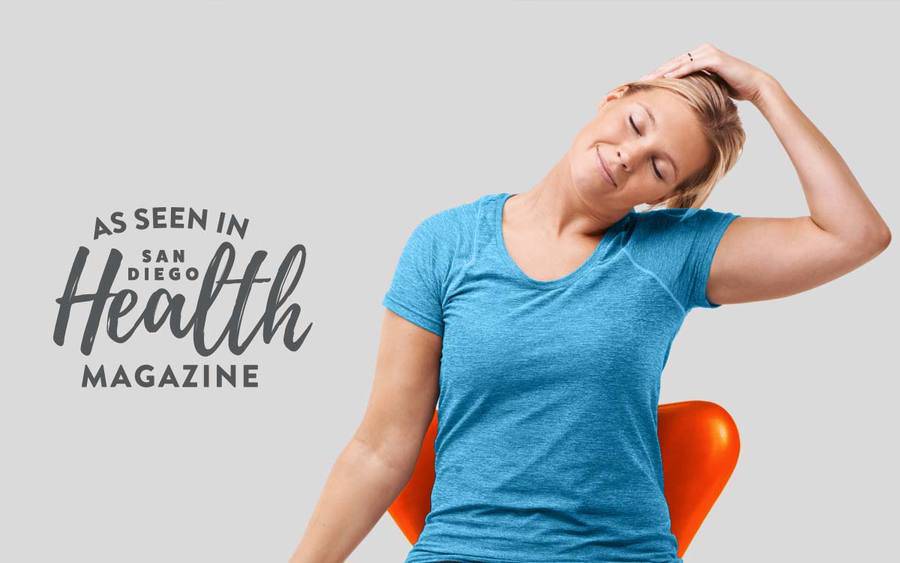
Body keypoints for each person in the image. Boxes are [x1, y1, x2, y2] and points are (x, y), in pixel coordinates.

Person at [288, 44, 891, 563]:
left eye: (659, 165)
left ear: (667, 196)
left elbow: (854, 235)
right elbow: (379, 447)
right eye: (636, 123)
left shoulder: (672, 253)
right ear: (613, 97)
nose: (631, 155)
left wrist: (765, 89)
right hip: (462, 548)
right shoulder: (446, 244)